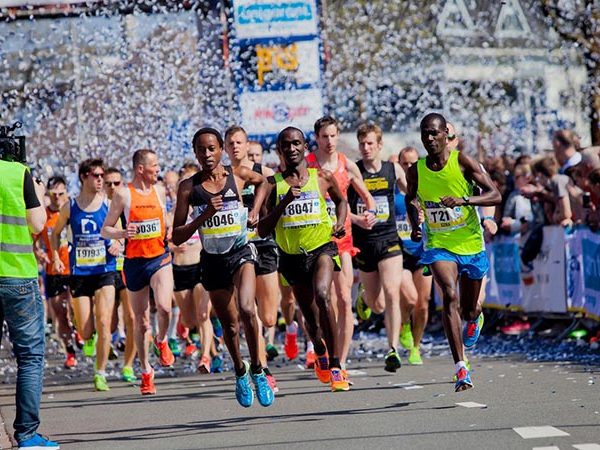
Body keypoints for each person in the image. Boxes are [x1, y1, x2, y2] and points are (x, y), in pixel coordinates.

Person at [172, 127, 274, 408]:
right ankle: (240, 372)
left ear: (220, 150)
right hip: (213, 260)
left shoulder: (237, 175)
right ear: (195, 152)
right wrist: (204, 214)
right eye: (201, 150)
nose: (207, 154)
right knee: (229, 325)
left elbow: (265, 183)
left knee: (247, 308)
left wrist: (254, 211)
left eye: (212, 149)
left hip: (241, 252)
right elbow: (177, 235)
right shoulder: (188, 188)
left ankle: (258, 370)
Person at [405, 113, 501, 391]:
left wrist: (464, 200)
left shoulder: (462, 162)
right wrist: (416, 223)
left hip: (470, 243)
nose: (430, 138)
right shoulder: (417, 170)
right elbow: (411, 197)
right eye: (425, 133)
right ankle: (461, 367)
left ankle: (475, 317)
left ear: (446, 135)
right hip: (438, 244)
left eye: (435, 133)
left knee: (469, 308)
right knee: (448, 294)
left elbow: (495, 195)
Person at [258, 126, 350, 392]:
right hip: (290, 257)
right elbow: (262, 229)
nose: (292, 149)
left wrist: (340, 222)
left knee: (323, 295)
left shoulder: (321, 176)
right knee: (309, 316)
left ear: (305, 146)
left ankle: (336, 366)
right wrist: (284, 202)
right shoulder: (272, 184)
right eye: (286, 145)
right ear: (279, 150)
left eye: (297, 143)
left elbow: (341, 202)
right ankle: (319, 350)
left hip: (322, 247)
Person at [306, 116, 376, 380]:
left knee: (345, 299)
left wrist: (370, 214)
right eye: (325, 136)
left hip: (343, 239)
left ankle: (340, 362)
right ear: (316, 138)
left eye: (334, 136)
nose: (330, 141)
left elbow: (368, 199)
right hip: (316, 240)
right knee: (324, 301)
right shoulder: (308, 165)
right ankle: (322, 347)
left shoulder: (346, 164)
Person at [102, 149, 175, 396]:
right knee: (142, 321)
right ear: (140, 169)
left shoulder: (160, 191)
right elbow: (106, 229)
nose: (158, 169)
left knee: (164, 307)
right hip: (134, 263)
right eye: (154, 165)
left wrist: (170, 230)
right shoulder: (123, 194)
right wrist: (122, 234)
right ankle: (146, 371)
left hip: (159, 258)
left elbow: (165, 220)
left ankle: (162, 340)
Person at [0, 158, 60, 449]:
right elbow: (38, 224)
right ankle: (26, 435)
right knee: (30, 357)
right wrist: (35, 191)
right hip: (17, 277)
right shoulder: (16, 172)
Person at [50, 159, 117, 392]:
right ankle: (87, 337)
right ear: (83, 177)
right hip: (80, 273)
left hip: (105, 270)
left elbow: (118, 231)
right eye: (96, 175)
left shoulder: (109, 203)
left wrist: (118, 242)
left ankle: (100, 373)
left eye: (102, 175)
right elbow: (56, 233)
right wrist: (57, 257)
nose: (100, 179)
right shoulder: (71, 207)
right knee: (86, 329)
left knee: (105, 322)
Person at [225, 126, 279, 391]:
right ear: (225, 148)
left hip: (264, 244)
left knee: (268, 317)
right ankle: (262, 366)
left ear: (247, 145)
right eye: (230, 143)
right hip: (239, 250)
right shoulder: (222, 177)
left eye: (239, 142)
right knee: (249, 310)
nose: (235, 147)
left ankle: (260, 360)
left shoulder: (265, 174)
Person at [348, 122, 406, 373]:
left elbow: (411, 193)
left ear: (380, 145)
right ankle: (364, 296)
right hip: (364, 243)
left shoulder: (393, 169)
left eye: (370, 143)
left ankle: (392, 349)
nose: (366, 147)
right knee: (376, 304)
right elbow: (340, 207)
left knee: (393, 292)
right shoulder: (353, 171)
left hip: (390, 238)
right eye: (362, 144)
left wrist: (421, 210)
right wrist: (357, 218)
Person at [169, 164, 214, 374]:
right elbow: (163, 242)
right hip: (180, 269)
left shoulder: (205, 208)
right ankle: (207, 342)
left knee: (203, 314)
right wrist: (173, 246)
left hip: (201, 267)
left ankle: (205, 357)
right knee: (189, 319)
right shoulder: (172, 214)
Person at [33, 176, 77, 370]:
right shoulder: (44, 215)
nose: (57, 198)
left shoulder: (74, 212)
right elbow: (33, 241)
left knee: (76, 309)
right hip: (53, 270)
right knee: (60, 313)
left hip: (77, 269)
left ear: (67, 193)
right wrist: (39, 253)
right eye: (54, 194)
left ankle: (81, 332)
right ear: (49, 195)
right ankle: (70, 351)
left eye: (61, 194)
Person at [394, 147, 432, 365]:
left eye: (412, 163)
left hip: (422, 252)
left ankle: (416, 347)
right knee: (409, 298)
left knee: (423, 303)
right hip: (399, 253)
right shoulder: (393, 192)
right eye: (404, 164)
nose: (408, 168)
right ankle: (404, 324)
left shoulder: (425, 189)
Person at [104, 167, 137, 383]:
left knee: (132, 317)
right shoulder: (96, 206)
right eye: (109, 183)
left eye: (117, 183)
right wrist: (110, 241)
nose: (113, 187)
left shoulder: (128, 204)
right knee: (109, 321)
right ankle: (106, 344)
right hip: (103, 269)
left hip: (126, 265)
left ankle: (128, 365)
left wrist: (122, 241)